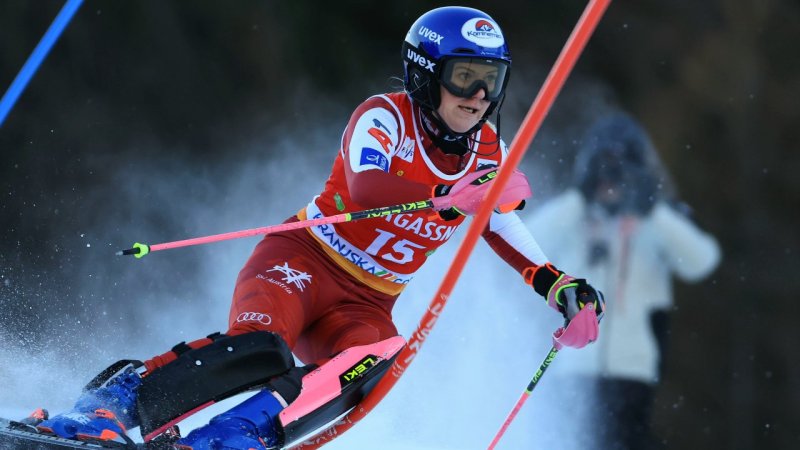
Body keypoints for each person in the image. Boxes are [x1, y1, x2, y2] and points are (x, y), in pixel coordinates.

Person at [32, 7, 604, 450]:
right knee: (262, 351)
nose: (478, 97)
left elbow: (499, 224)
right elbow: (367, 189)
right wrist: (451, 197)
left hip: (367, 304)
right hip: (303, 263)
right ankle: (107, 405)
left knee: (377, 361)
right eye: (464, 77)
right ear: (428, 76)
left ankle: (229, 440)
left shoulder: (487, 150)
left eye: (491, 81)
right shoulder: (383, 117)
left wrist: (558, 286)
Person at [527, 113, 721, 449]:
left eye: (621, 172)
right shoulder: (573, 218)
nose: (612, 183)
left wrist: (653, 210)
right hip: (574, 367)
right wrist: (579, 197)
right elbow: (525, 245)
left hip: (633, 371)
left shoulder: (656, 223)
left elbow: (702, 261)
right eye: (603, 172)